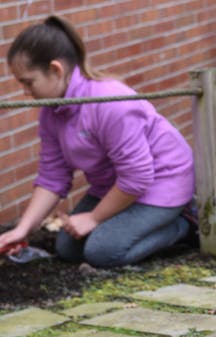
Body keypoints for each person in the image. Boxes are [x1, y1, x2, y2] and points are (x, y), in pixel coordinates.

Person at [0, 16, 196, 268]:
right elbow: (53, 176)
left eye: (28, 82)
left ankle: (183, 225)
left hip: (161, 183)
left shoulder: (110, 103)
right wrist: (22, 229)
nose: (25, 92)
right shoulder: (51, 112)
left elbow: (138, 176)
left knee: (103, 252)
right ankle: (131, 222)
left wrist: (94, 218)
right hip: (116, 187)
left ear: (56, 70)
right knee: (68, 248)